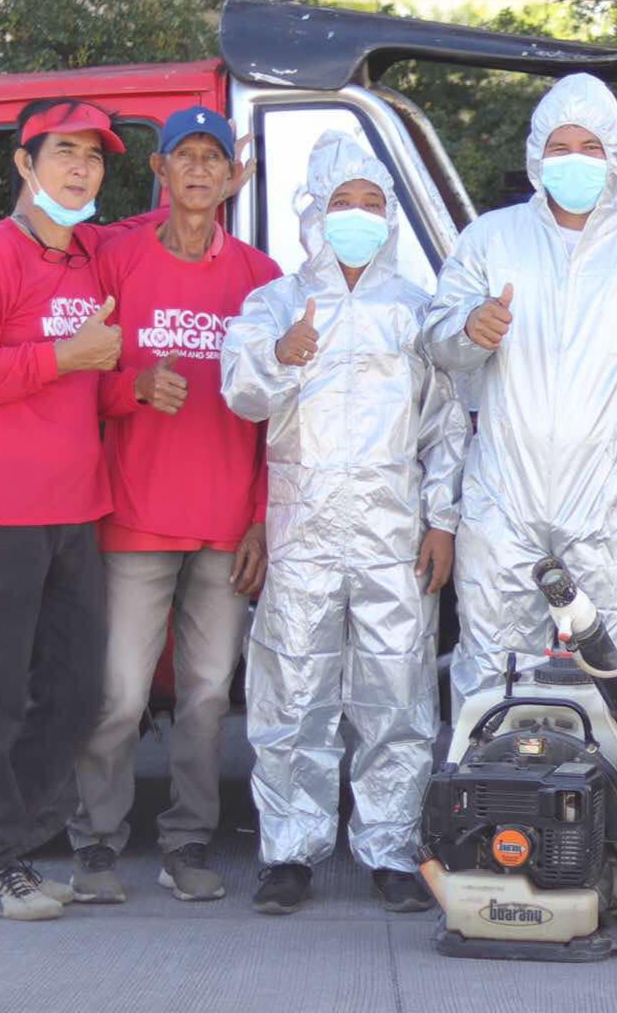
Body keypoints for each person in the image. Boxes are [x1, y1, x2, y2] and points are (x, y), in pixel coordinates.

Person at [222, 128, 467, 916]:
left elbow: (447, 426)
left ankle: (392, 848)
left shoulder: (414, 311)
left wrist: (442, 521)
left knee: (396, 692)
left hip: (394, 529)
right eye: (342, 203)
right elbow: (241, 397)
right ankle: (289, 849)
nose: (357, 215)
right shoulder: (275, 303)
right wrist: (282, 357)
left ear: (390, 216)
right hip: (302, 528)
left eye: (371, 203)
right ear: (313, 214)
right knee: (292, 688)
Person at [423, 73, 617, 711]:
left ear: (614, 156)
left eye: (588, 146)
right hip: (503, 497)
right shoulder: (491, 241)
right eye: (558, 147)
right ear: (535, 156)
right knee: (490, 669)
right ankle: (491, 810)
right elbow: (436, 341)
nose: (572, 160)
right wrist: (472, 328)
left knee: (615, 670)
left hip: (611, 501)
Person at [64, 106, 279, 905]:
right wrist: (133, 388)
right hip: (134, 516)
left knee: (207, 695)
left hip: (227, 526)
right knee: (119, 692)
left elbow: (280, 415)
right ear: (159, 172)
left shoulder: (260, 279)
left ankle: (187, 846)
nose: (197, 170)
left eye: (211, 159)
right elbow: (77, 373)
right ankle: (95, 846)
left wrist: (261, 512)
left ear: (234, 177)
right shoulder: (116, 260)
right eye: (182, 157)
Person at [0, 99, 129, 921]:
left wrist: (130, 386)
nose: (81, 168)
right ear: (24, 164)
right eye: (64, 152)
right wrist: (66, 355)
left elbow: (92, 380)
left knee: (78, 692)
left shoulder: (89, 260)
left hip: (75, 511)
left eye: (93, 156)